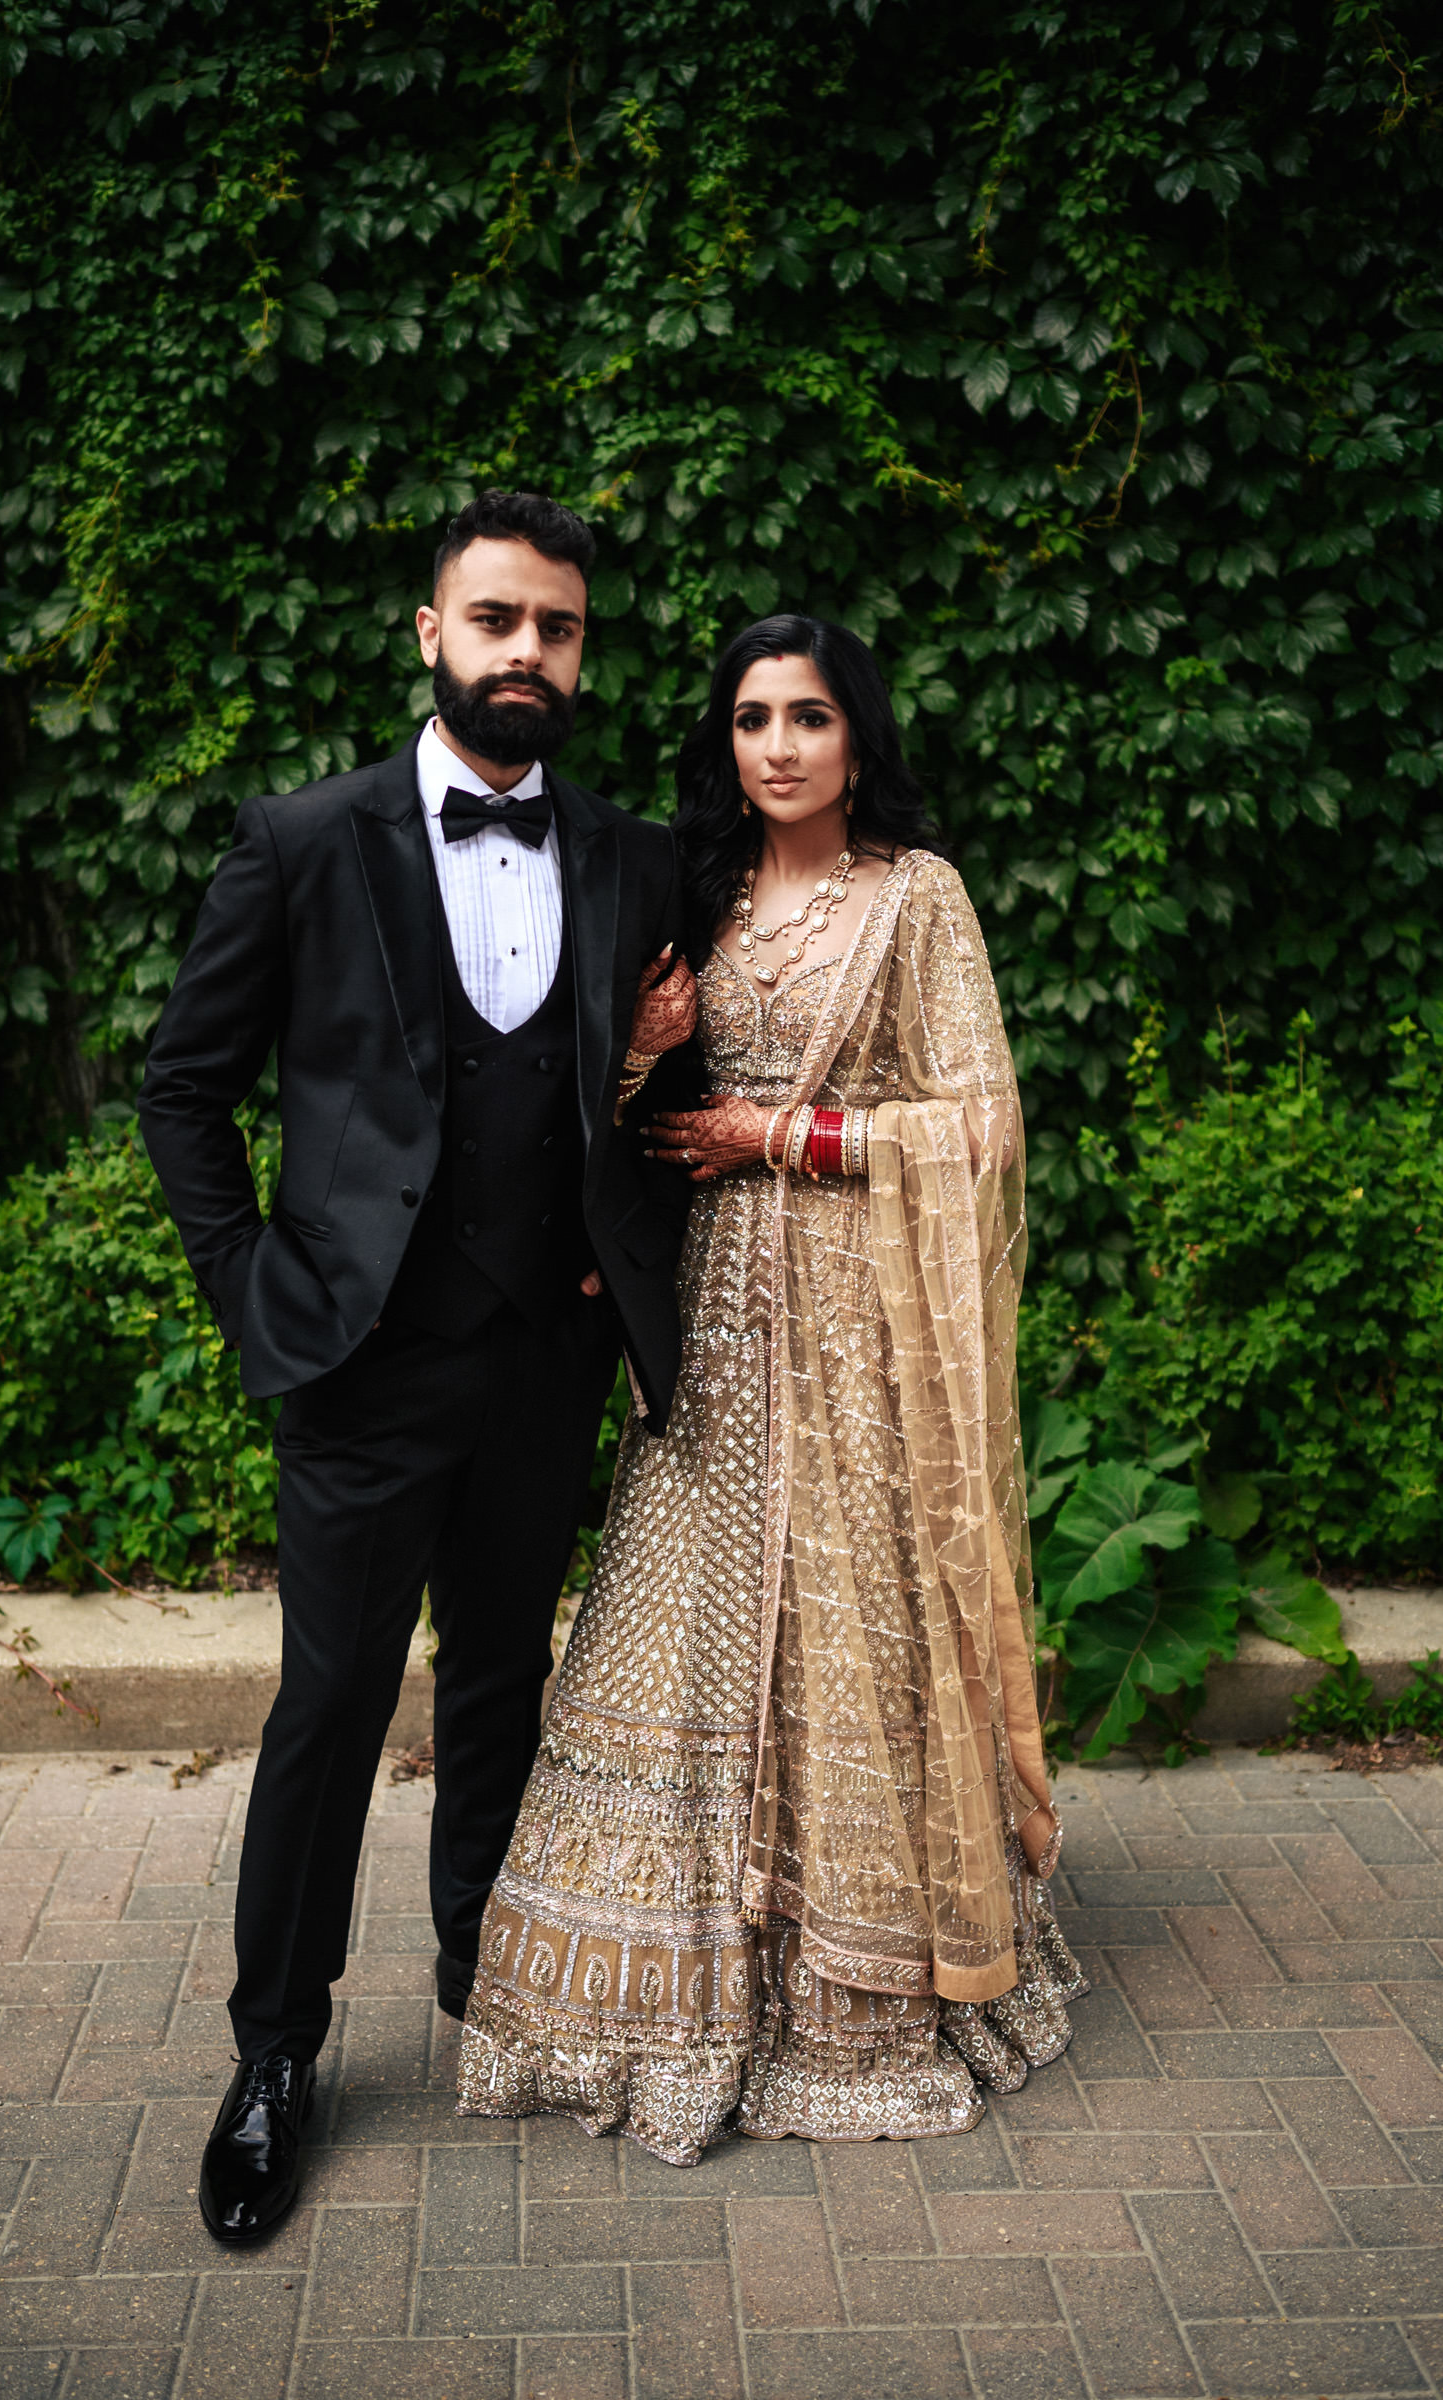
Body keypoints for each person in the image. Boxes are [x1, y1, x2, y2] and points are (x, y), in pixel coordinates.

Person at [138, 489, 698, 2240]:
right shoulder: (305, 840)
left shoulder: (632, 856)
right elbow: (183, 1089)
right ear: (431, 631)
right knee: (328, 1706)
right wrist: (257, 1292)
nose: (527, 651)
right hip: (360, 1366)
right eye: (497, 619)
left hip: (546, 1362)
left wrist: (627, 1196)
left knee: (502, 1685)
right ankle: (274, 2054)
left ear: (583, 651)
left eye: (558, 627)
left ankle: (485, 1976)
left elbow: (653, 1102)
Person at [456, 614, 1085, 2162]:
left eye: (809, 716)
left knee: (846, 1625)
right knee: (675, 1624)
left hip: (857, 1330)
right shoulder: (698, 889)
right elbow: (619, 1105)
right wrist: (636, 1056)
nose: (781, 747)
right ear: (727, 742)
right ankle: (651, 2002)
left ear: (857, 738)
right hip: (711, 1322)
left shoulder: (916, 898)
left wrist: (783, 1135)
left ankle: (847, 1992)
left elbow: (982, 1127)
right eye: (753, 719)